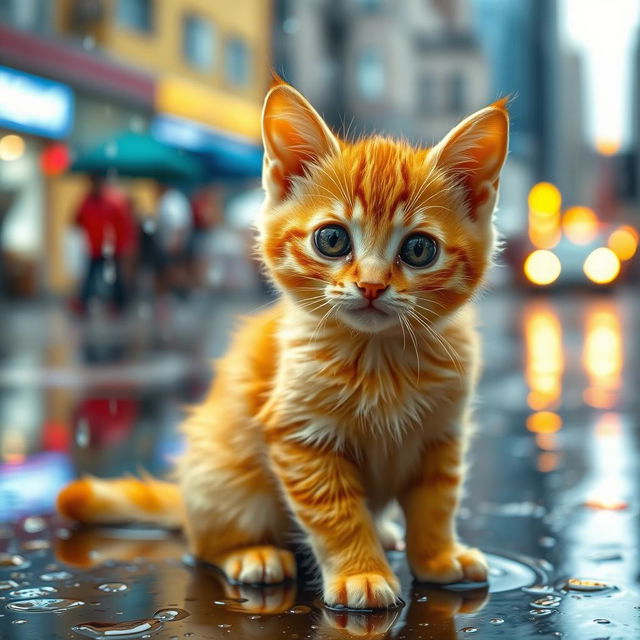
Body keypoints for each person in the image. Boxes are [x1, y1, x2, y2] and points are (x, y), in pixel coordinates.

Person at [74, 175, 135, 313]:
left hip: (112, 247)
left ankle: (120, 303)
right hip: (94, 246)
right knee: (90, 276)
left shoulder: (113, 201)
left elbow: (123, 224)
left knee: (115, 276)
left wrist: (124, 244)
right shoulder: (87, 201)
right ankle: (84, 303)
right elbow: (77, 219)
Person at [154, 184, 193, 299]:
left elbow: (178, 225)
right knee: (169, 274)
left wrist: (175, 243)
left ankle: (185, 296)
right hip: (169, 245)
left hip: (172, 246)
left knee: (173, 273)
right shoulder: (171, 199)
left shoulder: (172, 200)